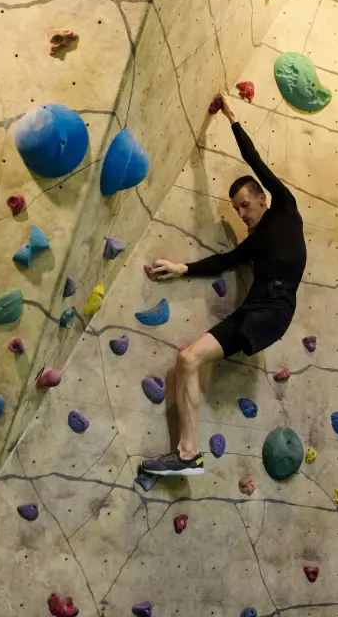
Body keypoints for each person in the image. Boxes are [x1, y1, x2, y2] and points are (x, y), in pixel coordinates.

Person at [139, 93, 307, 477]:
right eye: (236, 210)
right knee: (186, 359)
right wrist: (181, 268)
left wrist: (231, 117)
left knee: (194, 357)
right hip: (251, 307)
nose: (242, 214)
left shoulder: (284, 207)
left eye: (245, 205)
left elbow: (254, 160)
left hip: (276, 310)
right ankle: (188, 454)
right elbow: (224, 261)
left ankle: (187, 453)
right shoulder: (252, 243)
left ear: (262, 199)